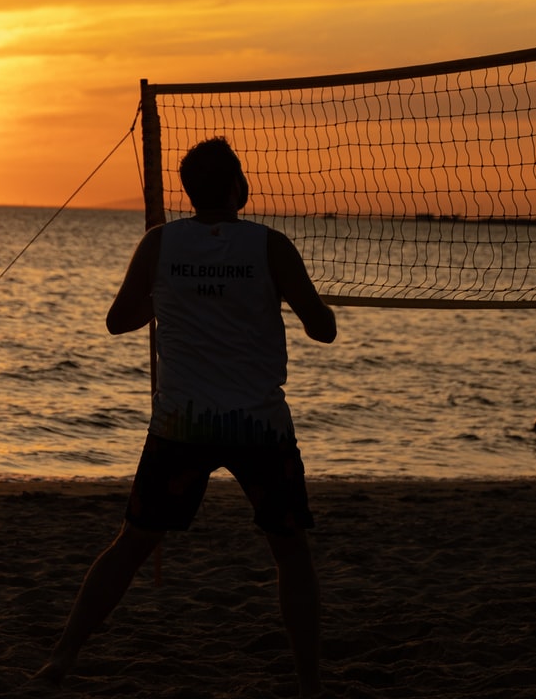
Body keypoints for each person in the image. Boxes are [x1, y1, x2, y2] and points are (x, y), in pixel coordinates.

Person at [34, 138, 338, 695]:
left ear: (190, 193)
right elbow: (324, 329)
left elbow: (117, 321)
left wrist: (175, 297)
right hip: (258, 425)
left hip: (184, 424)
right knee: (291, 551)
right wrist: (283, 298)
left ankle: (62, 657)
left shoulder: (159, 245)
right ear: (239, 189)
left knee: (132, 542)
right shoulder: (272, 247)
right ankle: (310, 685)